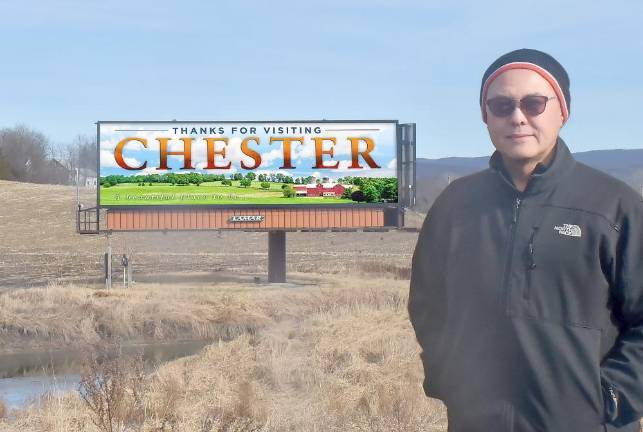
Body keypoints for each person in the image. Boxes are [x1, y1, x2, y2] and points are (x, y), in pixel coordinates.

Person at [408, 48, 643, 431]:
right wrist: (450, 377)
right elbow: (428, 305)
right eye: (501, 105)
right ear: (485, 114)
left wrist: (612, 396)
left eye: (534, 103)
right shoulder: (456, 206)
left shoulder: (613, 207)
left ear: (562, 110)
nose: (517, 117)